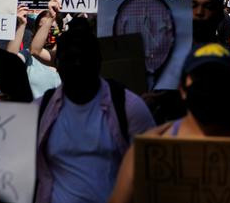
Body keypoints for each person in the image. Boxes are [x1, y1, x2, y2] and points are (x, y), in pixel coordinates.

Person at [109, 43, 230, 203]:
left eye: (219, 80)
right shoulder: (148, 150)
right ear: (182, 89)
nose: (211, 88)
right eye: (201, 80)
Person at [35, 23, 155, 202]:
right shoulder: (39, 110)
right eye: (70, 58)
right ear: (57, 64)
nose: (77, 64)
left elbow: (152, 172)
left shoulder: (129, 108)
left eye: (84, 58)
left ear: (98, 61)